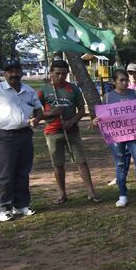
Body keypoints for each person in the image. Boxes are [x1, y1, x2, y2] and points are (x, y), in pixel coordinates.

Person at [93, 69, 136, 208]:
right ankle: (123, 195)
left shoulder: (135, 94)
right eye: (121, 80)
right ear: (114, 82)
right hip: (116, 136)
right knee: (120, 165)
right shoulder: (107, 97)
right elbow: (104, 117)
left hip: (134, 134)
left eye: (126, 79)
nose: (125, 82)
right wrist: (96, 121)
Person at [38, 59, 99, 204]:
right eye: (57, 73)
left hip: (72, 131)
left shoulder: (73, 89)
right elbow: (37, 113)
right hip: (52, 132)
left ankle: (91, 192)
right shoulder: (44, 90)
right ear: (51, 72)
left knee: (81, 161)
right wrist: (52, 113)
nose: (60, 77)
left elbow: (82, 109)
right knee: (58, 164)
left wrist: (72, 121)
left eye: (64, 74)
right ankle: (62, 193)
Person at [0, 60, 43, 221]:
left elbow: (39, 109)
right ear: (4, 73)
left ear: (21, 72)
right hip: (5, 136)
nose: (14, 74)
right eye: (10, 71)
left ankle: (21, 205)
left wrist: (37, 119)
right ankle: (2, 208)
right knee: (6, 173)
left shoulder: (28, 90)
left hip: (25, 134)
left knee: (23, 171)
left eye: (17, 71)